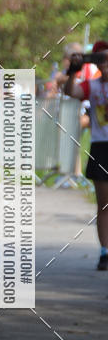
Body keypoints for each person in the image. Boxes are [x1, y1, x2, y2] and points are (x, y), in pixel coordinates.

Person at [63, 41, 108, 270]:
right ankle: (104, 251)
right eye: (101, 59)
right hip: (101, 146)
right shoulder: (93, 86)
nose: (106, 64)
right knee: (104, 205)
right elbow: (71, 91)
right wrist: (73, 71)